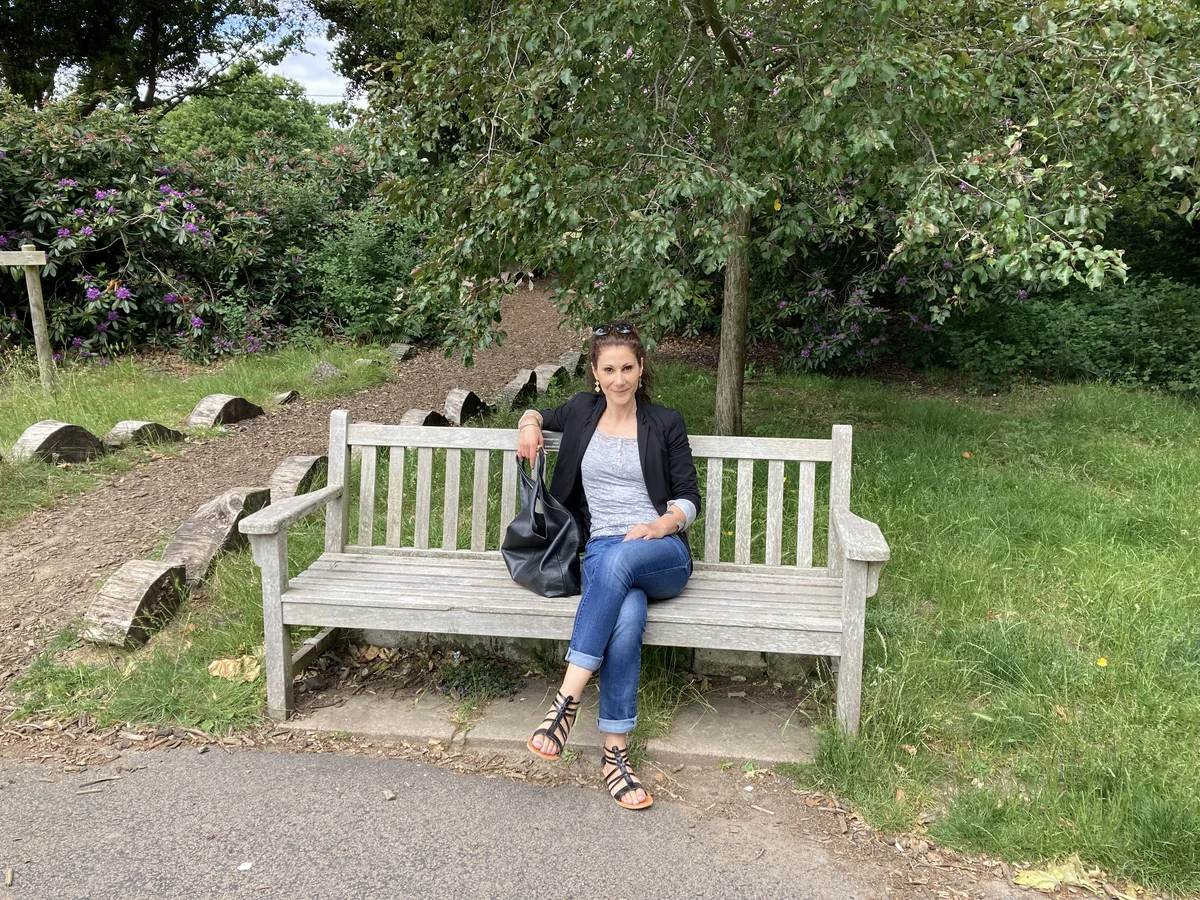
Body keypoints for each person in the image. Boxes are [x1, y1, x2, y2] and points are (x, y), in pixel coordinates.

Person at [516, 322, 701, 810]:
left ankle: (564, 704)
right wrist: (528, 423)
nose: (619, 378)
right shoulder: (580, 412)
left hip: (661, 552)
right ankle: (615, 756)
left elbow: (689, 498)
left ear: (641, 370)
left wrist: (663, 525)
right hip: (601, 549)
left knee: (620, 559)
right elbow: (537, 410)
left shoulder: (665, 422)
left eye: (628, 368)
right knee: (627, 617)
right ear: (595, 375)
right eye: (608, 369)